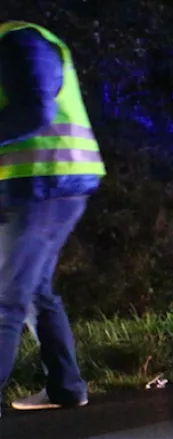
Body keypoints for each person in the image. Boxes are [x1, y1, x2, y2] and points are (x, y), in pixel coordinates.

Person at [0, 21, 104, 414]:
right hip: (34, 183)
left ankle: (67, 385)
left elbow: (34, 110)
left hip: (48, 180)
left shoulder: (18, 41)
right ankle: (66, 387)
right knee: (34, 291)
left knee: (6, 298)